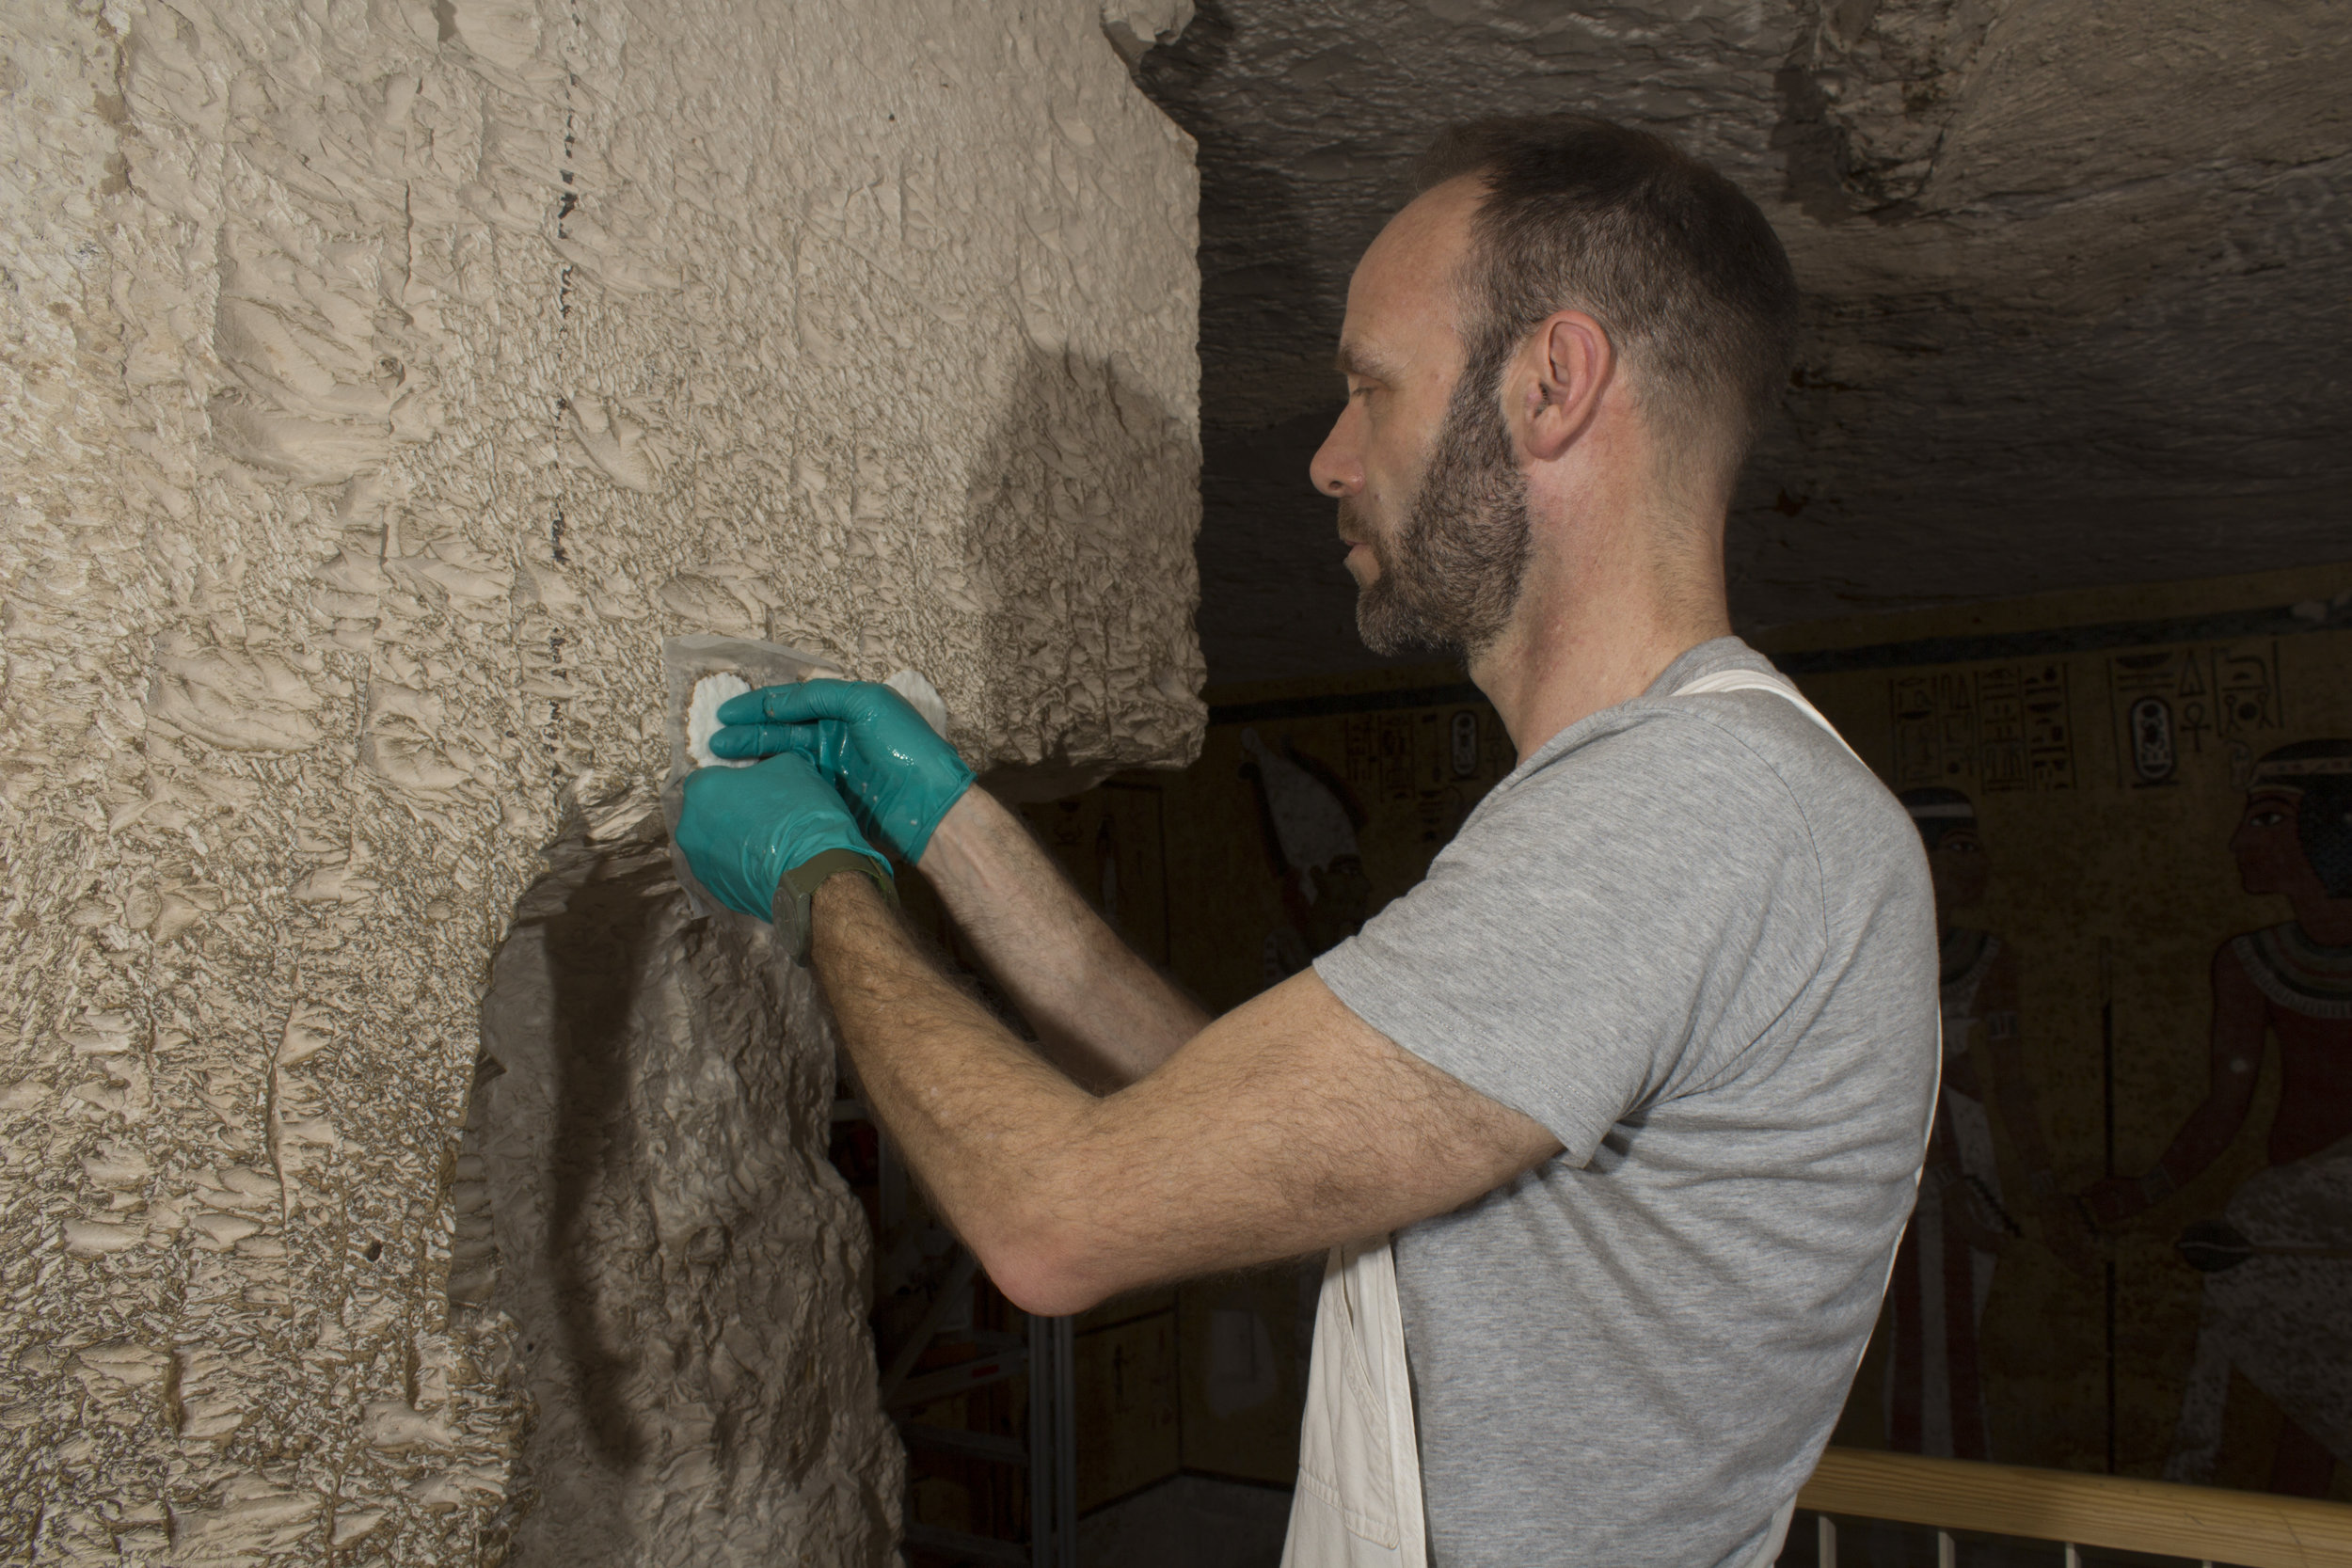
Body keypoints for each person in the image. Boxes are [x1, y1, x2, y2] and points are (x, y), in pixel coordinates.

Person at [676, 114, 1939, 1567]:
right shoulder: (1695, 796)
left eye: (1369, 387)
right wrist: (944, 822)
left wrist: (821, 877)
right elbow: (1227, 1124)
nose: (1331, 460)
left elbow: (1055, 1219)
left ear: (1554, 383)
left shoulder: (1691, 808)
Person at [2081, 738, 2352, 1496]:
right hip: (2286, 1223)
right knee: (2298, 1416)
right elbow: (2224, 1105)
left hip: (2321, 1221)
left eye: (2266, 818)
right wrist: (2142, 1192)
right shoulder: (2251, 959)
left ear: (2335, 826)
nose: (2238, 840)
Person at [1884, 788, 2095, 1460]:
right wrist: (1947, 1184)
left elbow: (2010, 1084)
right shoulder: (1881, 953)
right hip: (1916, 1167)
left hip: (1970, 1164)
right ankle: (1929, 1516)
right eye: (1964, 848)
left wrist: (2044, 1192)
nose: (1982, 864)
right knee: (1925, 1343)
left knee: (1960, 1340)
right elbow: (1897, 1081)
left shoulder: (1989, 956)